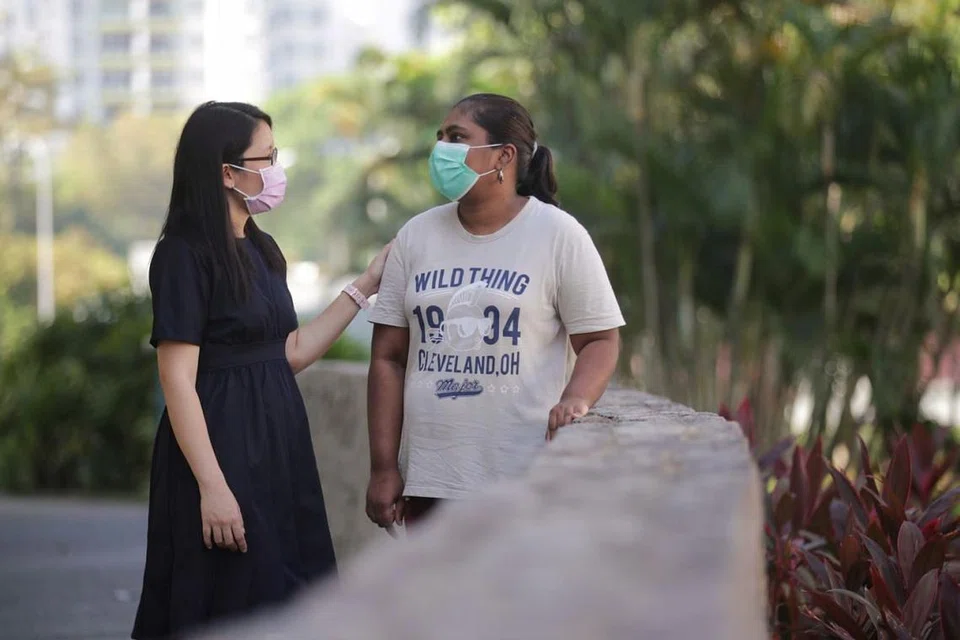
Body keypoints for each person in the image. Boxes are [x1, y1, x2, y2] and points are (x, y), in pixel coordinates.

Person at [132, 101, 390, 639]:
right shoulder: (182, 254)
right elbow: (177, 379)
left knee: (293, 599)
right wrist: (213, 487)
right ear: (228, 172)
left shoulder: (264, 249)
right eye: (266, 156)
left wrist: (364, 285)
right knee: (226, 600)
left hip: (279, 446)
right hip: (219, 449)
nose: (276, 169)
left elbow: (290, 351)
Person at [365, 93, 624, 531]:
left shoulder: (557, 234)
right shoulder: (416, 236)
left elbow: (599, 338)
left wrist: (576, 399)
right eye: (441, 137)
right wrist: (384, 467)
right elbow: (388, 358)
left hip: (524, 480)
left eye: (458, 137)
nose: (442, 149)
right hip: (431, 480)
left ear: (503, 155)